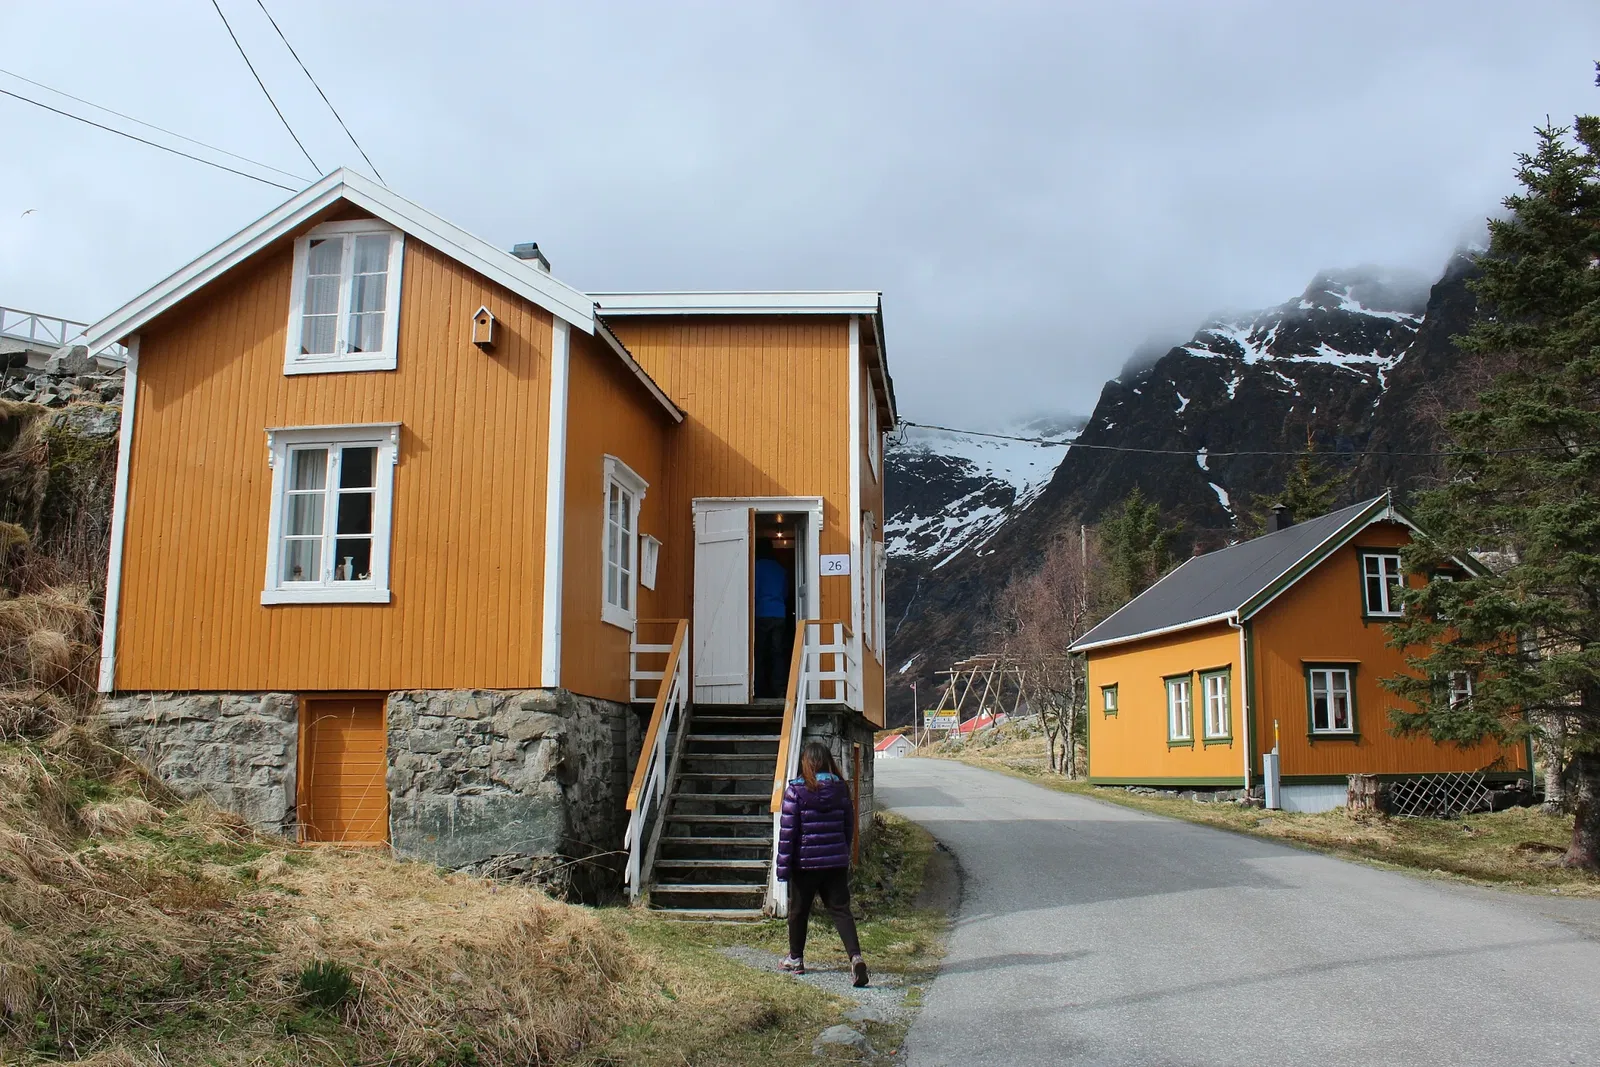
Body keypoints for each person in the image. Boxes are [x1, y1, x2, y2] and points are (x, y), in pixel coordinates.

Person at [775, 741, 868, 987]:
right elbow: (849, 826)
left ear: (806, 763)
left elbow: (788, 833)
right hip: (835, 863)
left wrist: (783, 869)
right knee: (841, 911)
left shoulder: (796, 791)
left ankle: (796, 959)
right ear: (828, 761)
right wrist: (842, 852)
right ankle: (855, 957)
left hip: (805, 865)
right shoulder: (841, 789)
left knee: (799, 912)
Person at [753, 541, 790, 698]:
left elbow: (752, 590)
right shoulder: (781, 570)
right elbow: (786, 593)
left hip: (761, 613)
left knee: (760, 652)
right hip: (779, 614)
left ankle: (758, 688)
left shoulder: (756, 567)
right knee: (777, 653)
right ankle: (779, 688)